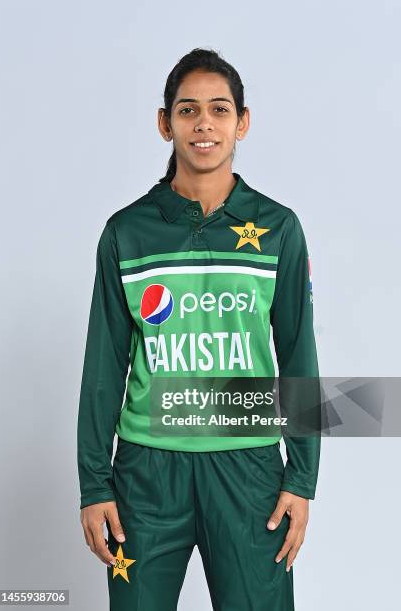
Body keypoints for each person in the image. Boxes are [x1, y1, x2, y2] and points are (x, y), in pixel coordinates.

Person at [77, 47, 321, 611]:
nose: (204, 123)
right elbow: (103, 367)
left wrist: (302, 477)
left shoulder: (280, 228)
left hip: (250, 470)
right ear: (165, 124)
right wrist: (94, 484)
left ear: (243, 121)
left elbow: (299, 357)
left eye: (218, 109)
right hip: (145, 472)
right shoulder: (127, 233)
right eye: (187, 111)